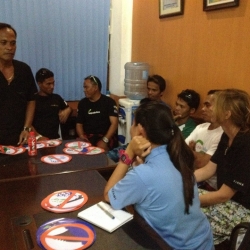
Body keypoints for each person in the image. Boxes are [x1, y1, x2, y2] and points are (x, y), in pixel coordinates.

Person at [104, 102, 214, 249]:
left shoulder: (142, 175)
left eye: (133, 123)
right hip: (203, 241)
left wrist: (129, 151)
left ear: (140, 132)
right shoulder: (178, 157)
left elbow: (108, 196)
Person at [195, 89, 250, 245]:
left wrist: (186, 200)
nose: (210, 108)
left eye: (215, 105)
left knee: (187, 210)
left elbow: (224, 195)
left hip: (243, 210)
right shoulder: (227, 135)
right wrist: (181, 181)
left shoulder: (245, 143)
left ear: (227, 114)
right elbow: (208, 170)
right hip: (227, 202)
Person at [107, 74, 169, 162]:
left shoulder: (163, 111)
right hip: (135, 143)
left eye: (154, 90)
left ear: (161, 92)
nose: (150, 92)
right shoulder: (144, 104)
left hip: (149, 147)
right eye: (148, 89)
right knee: (108, 156)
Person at [0, 23, 37, 146]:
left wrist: (26, 128)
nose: (9, 47)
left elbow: (31, 99)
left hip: (20, 138)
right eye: (3, 43)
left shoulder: (24, 69)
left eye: (13, 43)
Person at [185, 90, 223, 190]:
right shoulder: (201, 127)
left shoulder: (222, 133)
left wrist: (191, 151)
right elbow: (181, 149)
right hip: (192, 174)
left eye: (207, 105)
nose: (202, 109)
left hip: (208, 184)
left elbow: (201, 163)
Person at [76, 75, 118, 151]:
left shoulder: (109, 102)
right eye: (84, 87)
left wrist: (105, 140)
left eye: (86, 87)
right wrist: (82, 137)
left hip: (105, 136)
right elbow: (79, 124)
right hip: (88, 136)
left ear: (95, 88)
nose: (84, 90)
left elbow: (114, 123)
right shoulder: (82, 103)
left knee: (100, 149)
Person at [32, 68, 72, 140]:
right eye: (48, 84)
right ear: (39, 84)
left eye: (53, 83)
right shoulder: (32, 100)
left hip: (55, 140)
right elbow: (27, 124)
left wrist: (68, 109)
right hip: (37, 139)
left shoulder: (56, 98)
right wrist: (39, 137)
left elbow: (68, 108)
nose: (52, 86)